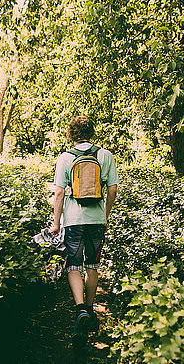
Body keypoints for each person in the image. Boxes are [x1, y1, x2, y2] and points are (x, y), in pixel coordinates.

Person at [49, 116, 119, 346]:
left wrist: (55, 222)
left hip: (73, 221)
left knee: (73, 265)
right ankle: (90, 308)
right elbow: (113, 189)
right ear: (91, 131)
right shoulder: (105, 155)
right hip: (97, 220)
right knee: (93, 265)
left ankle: (80, 311)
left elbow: (59, 193)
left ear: (71, 133)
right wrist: (105, 214)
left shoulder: (65, 158)